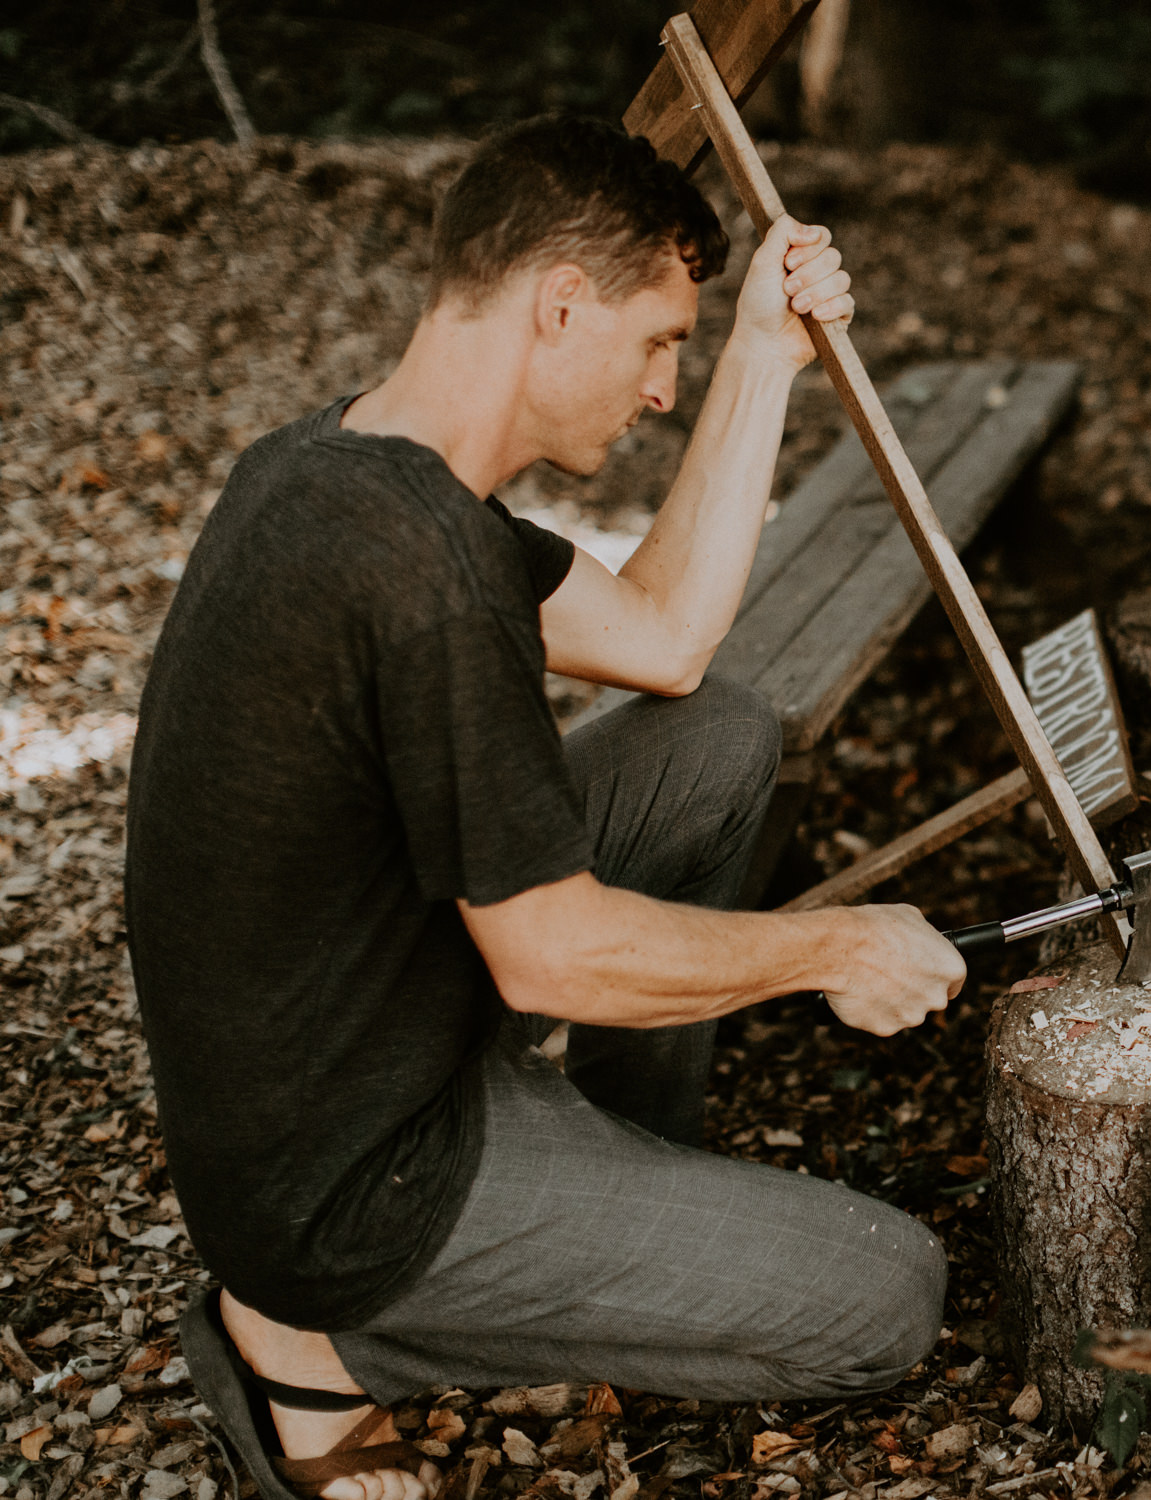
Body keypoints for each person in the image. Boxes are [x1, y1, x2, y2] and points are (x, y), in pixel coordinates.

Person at [124, 114, 967, 1500]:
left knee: (718, 738)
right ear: (558, 305)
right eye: (658, 345)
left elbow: (668, 641)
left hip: (339, 1043)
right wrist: (834, 947)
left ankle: (617, 1188)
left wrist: (761, 355)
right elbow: (552, 955)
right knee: (889, 1295)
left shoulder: (340, 464)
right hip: (346, 1186)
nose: (657, 391)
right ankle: (314, 1349)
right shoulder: (424, 575)